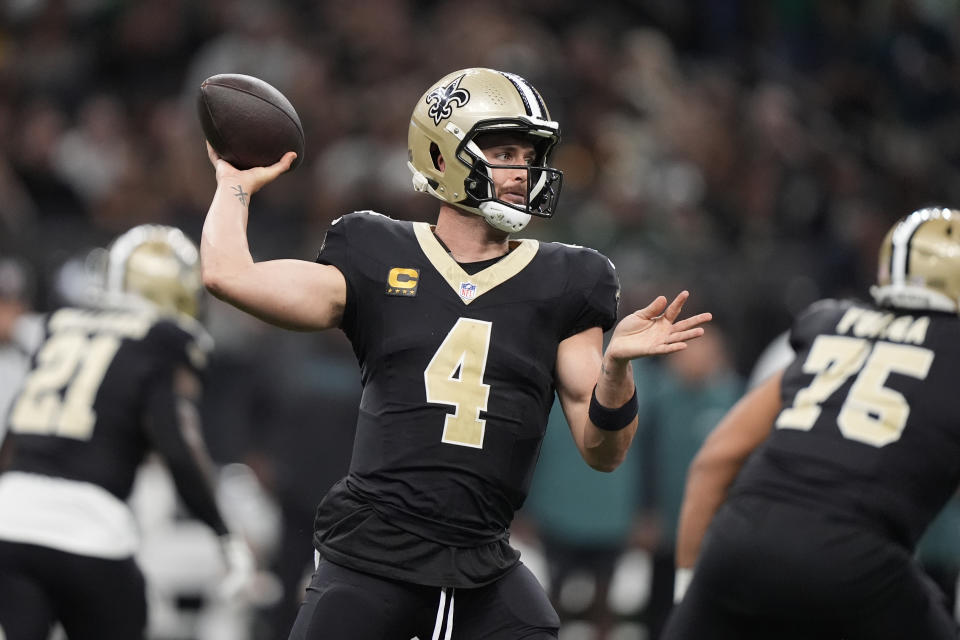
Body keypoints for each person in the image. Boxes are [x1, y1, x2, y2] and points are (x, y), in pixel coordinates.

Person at [200, 67, 712, 640]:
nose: (522, 171)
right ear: (443, 157)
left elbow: (603, 451)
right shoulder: (373, 249)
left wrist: (616, 370)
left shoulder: (570, 280)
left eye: (529, 154)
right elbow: (227, 275)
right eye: (504, 151)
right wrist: (233, 185)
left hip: (481, 562)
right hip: (374, 554)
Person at [663, 206, 960, 639]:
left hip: (738, 545)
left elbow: (714, 459)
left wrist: (695, 592)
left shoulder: (832, 325)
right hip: (855, 561)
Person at [0, 225, 254, 640]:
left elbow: (15, 432)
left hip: (9, 519)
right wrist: (224, 534)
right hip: (89, 529)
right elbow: (178, 447)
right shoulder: (162, 339)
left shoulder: (58, 325)